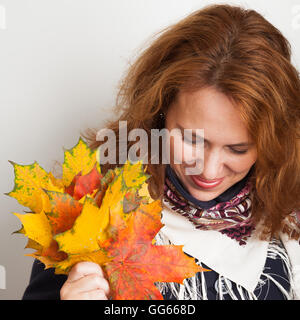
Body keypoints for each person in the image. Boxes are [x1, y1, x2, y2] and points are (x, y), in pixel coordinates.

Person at [22, 4, 300, 300]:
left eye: (238, 149)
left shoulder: (289, 209)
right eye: (192, 140)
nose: (208, 170)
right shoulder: (88, 208)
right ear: (160, 111)